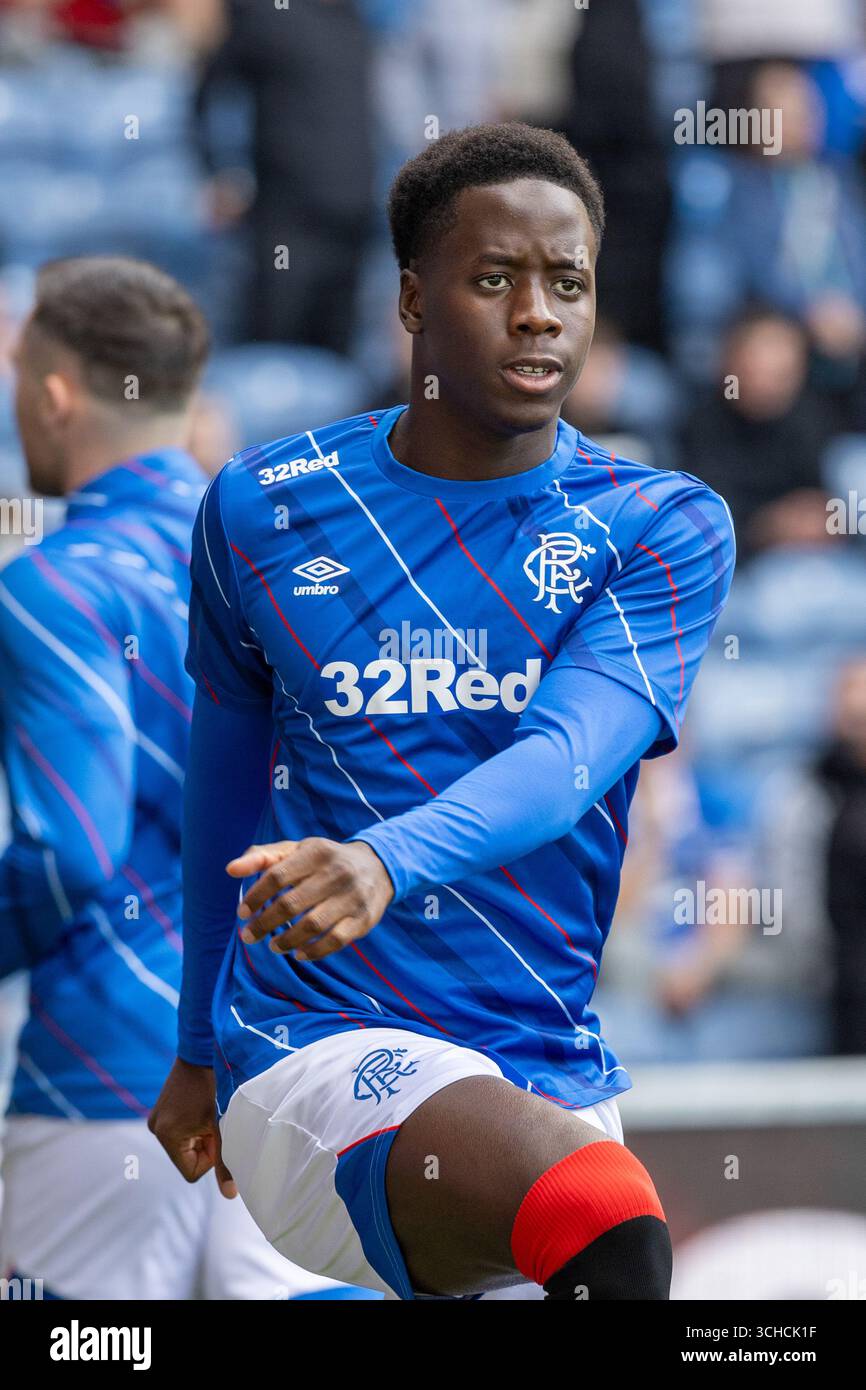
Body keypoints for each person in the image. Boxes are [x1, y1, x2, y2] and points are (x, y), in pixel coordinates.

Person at [151, 124, 736, 1301]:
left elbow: (567, 757)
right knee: (608, 1225)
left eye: (565, 283)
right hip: (314, 1043)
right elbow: (224, 773)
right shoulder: (265, 505)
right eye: (494, 279)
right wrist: (197, 1048)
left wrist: (382, 858)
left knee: (589, 1212)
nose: (538, 314)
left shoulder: (657, 522)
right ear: (414, 300)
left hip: (544, 1077)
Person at [0, 256, 348, 1300]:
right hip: (298, 1050)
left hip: (111, 1064)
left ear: (53, 395)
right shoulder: (299, 567)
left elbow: (68, 850)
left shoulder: (53, 581)